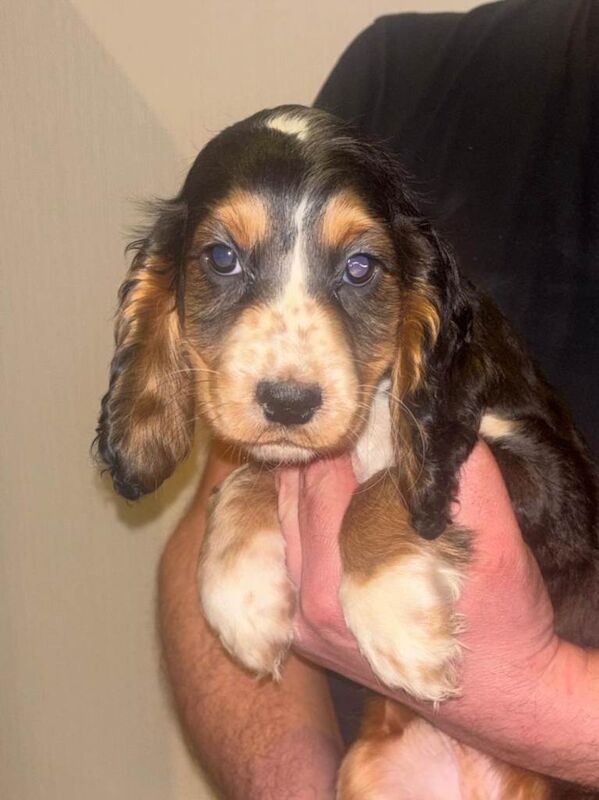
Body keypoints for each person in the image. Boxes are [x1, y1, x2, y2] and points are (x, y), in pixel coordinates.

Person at [159, 1, 599, 796]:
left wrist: (535, 700)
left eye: (359, 270)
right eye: (224, 259)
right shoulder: (400, 73)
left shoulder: (459, 354)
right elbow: (226, 494)